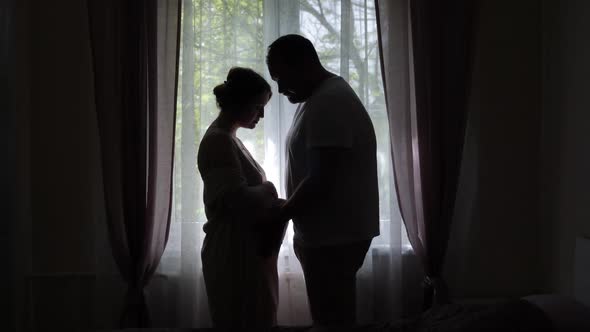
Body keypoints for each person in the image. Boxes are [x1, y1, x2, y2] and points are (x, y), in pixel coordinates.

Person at [267, 34, 380, 327]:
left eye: (281, 77)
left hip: (334, 237)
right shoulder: (320, 98)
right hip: (330, 234)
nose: (279, 89)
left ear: (304, 64)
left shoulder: (329, 102)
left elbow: (321, 178)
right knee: (332, 318)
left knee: (332, 322)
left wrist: (280, 217)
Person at [197, 67, 287, 329]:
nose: (261, 114)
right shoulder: (218, 141)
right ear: (239, 102)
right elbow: (233, 198)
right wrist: (268, 189)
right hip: (233, 253)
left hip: (246, 249)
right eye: (258, 106)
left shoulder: (229, 138)